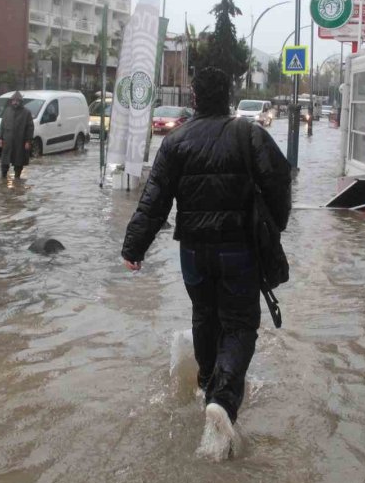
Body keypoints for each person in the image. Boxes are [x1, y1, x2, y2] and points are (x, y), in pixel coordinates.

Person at [121, 67, 291, 461]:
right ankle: (223, 398)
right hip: (238, 250)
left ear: (195, 98)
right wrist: (274, 224)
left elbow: (154, 200)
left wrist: (134, 247)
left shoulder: (175, 141)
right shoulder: (249, 135)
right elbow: (280, 181)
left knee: (204, 314)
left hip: (194, 252)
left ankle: (204, 385)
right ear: (227, 95)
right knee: (240, 325)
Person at [0, 91, 34, 179]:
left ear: (21, 102)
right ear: (11, 101)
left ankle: (17, 178)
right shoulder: (7, 111)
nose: (15, 102)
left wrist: (28, 141)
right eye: (14, 100)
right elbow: (2, 125)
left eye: (17, 101)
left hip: (20, 141)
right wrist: (0, 138)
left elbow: (30, 128)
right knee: (4, 161)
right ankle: (3, 177)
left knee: (18, 161)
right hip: (7, 141)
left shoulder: (26, 113)